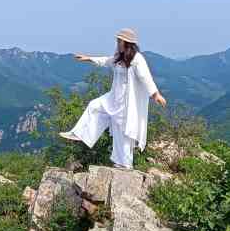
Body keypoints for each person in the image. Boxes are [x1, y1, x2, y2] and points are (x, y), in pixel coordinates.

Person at [59, 28, 167, 168]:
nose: (117, 43)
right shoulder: (118, 56)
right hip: (113, 98)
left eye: (119, 41)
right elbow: (106, 60)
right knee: (94, 106)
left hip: (127, 103)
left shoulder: (137, 59)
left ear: (126, 43)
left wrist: (155, 94)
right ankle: (80, 134)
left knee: (123, 134)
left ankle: (124, 164)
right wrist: (89, 58)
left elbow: (146, 78)